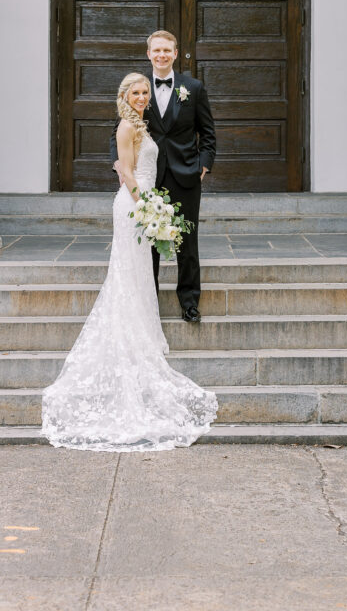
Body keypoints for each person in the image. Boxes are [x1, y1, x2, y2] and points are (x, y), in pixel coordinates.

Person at [41, 73, 217, 451]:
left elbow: (197, 133)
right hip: (136, 207)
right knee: (129, 275)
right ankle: (131, 337)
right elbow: (126, 172)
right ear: (125, 96)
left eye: (143, 92)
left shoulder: (143, 121)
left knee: (136, 274)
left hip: (146, 204)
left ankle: (143, 332)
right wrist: (150, 209)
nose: (141, 97)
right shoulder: (126, 126)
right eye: (135, 93)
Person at [110, 30, 216, 322]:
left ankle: (190, 302)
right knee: (148, 246)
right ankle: (149, 304)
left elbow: (207, 133)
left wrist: (203, 167)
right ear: (148, 54)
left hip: (186, 176)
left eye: (167, 51)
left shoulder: (193, 87)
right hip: (148, 180)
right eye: (156, 50)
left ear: (175, 53)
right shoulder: (138, 87)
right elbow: (116, 132)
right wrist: (120, 167)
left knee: (187, 242)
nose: (161, 55)